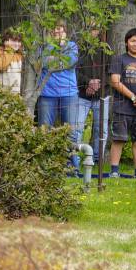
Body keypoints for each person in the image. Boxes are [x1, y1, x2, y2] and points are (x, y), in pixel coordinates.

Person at [35, 21, 80, 172]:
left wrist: (53, 59)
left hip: (69, 94)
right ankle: (44, 166)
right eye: (54, 31)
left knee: (71, 132)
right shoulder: (42, 46)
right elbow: (42, 63)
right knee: (45, 131)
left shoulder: (72, 46)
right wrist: (56, 54)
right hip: (47, 94)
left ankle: (73, 166)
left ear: (66, 32)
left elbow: (69, 62)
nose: (57, 34)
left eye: (60, 31)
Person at [108, 28, 136, 179]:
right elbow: (115, 82)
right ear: (126, 42)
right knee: (119, 138)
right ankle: (114, 171)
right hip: (122, 108)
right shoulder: (120, 59)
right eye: (132, 40)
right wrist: (133, 97)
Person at [75, 26, 108, 170]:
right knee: (77, 128)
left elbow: (110, 72)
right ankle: (74, 161)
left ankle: (96, 160)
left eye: (95, 29)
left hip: (102, 95)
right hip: (82, 95)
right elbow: (73, 72)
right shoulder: (77, 49)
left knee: (101, 129)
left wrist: (97, 84)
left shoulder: (106, 49)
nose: (92, 32)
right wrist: (88, 82)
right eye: (88, 28)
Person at [0, 29, 24, 94]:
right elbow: (1, 66)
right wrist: (9, 49)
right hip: (2, 93)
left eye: (19, 41)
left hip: (17, 93)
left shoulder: (20, 55)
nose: (17, 44)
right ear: (6, 40)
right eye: (14, 41)